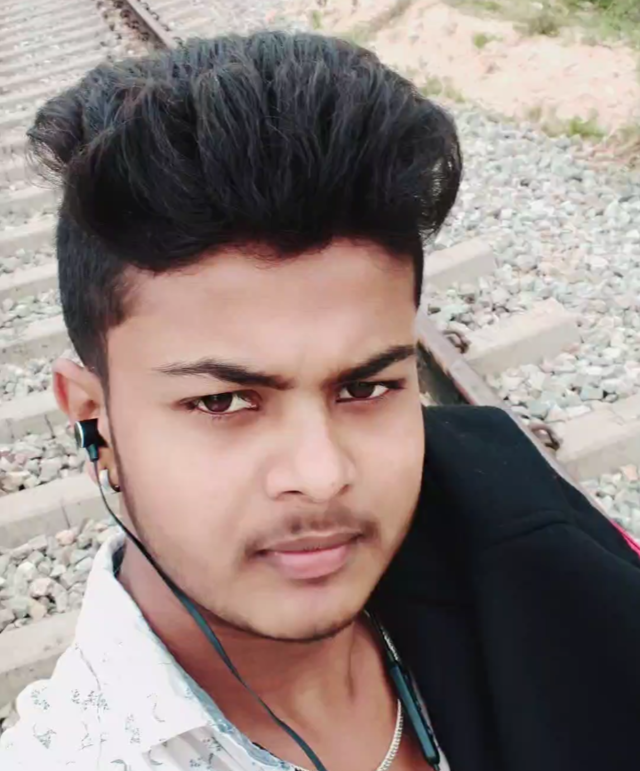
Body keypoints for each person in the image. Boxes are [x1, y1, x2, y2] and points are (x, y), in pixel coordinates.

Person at [1, 30, 640, 771]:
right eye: (223, 402)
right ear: (94, 419)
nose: (322, 474)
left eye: (366, 388)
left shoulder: (528, 544)